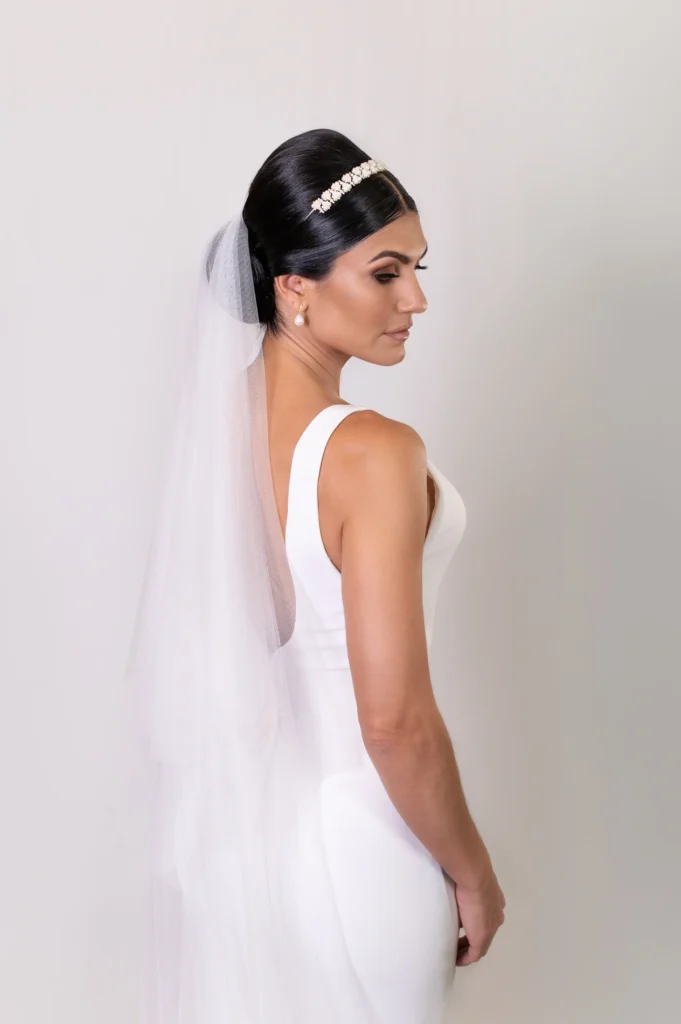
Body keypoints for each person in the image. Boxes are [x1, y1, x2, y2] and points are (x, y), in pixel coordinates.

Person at [127, 127, 505, 1024]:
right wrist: (474, 870)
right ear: (294, 286)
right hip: (366, 849)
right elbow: (393, 723)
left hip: (234, 851)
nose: (415, 297)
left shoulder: (209, 437)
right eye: (384, 272)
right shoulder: (370, 451)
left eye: (417, 267)